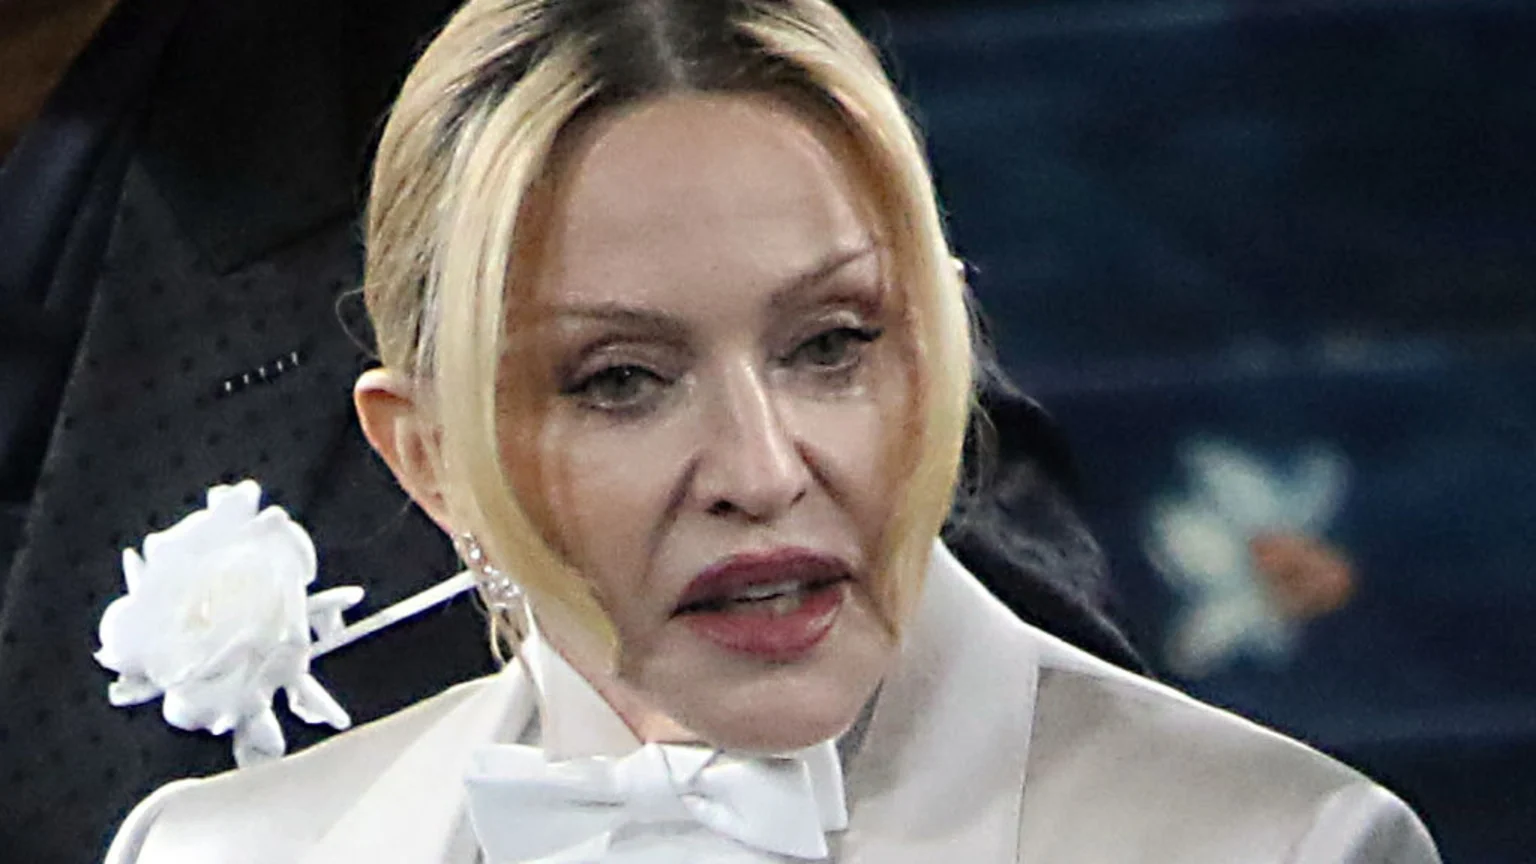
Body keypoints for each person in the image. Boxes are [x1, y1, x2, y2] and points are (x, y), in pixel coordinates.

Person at [102, 0, 1437, 861]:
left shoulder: (1282, 847)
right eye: (619, 379)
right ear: (429, 458)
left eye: (830, 346)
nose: (759, 470)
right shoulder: (218, 854)